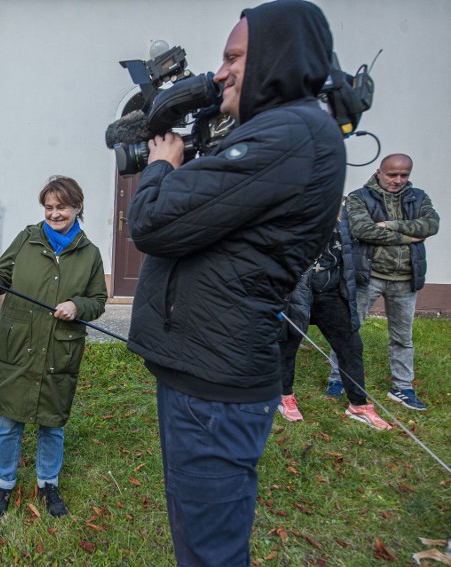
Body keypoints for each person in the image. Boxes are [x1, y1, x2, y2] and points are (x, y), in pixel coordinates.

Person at [126, 1, 345, 564]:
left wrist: (163, 165)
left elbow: (153, 222)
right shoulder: (278, 132)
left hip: (214, 390)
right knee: (199, 543)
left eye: (232, 58)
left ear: (277, 56)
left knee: (209, 554)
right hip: (202, 373)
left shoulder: (291, 135)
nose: (219, 72)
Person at [0, 176, 107, 518]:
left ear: (78, 208)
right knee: (10, 423)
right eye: (48, 207)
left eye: (62, 207)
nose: (54, 214)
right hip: (20, 346)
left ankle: (48, 483)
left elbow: (98, 300)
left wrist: (77, 306)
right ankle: (3, 484)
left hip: (60, 349)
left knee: (52, 423)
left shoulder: (90, 254)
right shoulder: (27, 239)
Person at [327, 154, 440, 410]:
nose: (398, 180)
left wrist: (390, 224)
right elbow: (362, 230)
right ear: (379, 172)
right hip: (368, 276)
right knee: (348, 331)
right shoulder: (359, 197)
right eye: (392, 175)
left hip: (405, 279)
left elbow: (431, 225)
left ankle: (402, 387)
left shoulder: (419, 197)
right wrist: (408, 237)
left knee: (402, 337)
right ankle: (337, 379)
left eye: (404, 175)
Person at [278, 216, 392, 430]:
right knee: (288, 342)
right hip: (295, 291)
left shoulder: (340, 217)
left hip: (329, 291)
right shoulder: (287, 211)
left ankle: (358, 404)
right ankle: (284, 395)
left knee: (351, 344)